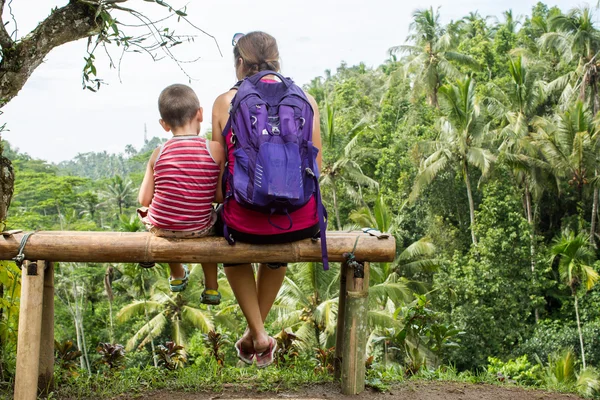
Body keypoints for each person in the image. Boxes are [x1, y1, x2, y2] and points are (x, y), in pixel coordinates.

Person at [212, 31, 323, 367]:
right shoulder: (306, 100)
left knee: (229, 242)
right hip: (297, 221)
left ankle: (258, 333)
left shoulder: (223, 102)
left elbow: (218, 180)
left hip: (244, 223)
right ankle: (256, 333)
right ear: (278, 59)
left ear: (240, 63)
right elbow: (314, 169)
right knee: (276, 238)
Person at [138, 83, 225, 305]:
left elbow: (144, 200)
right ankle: (212, 287)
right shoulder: (214, 149)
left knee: (154, 215)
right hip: (200, 229)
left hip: (162, 229)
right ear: (200, 114)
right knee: (215, 222)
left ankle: (177, 274)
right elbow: (219, 196)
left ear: (164, 124)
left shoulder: (158, 153)